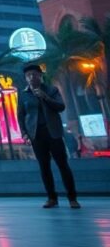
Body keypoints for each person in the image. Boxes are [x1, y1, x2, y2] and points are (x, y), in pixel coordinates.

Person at [17, 62, 81, 209]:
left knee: (63, 165)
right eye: (28, 75)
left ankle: (72, 198)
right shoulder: (23, 94)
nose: (32, 77)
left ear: (40, 76)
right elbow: (20, 116)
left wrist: (44, 96)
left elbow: (61, 107)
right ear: (26, 78)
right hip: (36, 135)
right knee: (44, 167)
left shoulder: (52, 90)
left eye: (34, 74)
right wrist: (25, 133)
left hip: (53, 132)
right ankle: (51, 198)